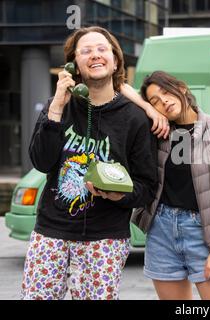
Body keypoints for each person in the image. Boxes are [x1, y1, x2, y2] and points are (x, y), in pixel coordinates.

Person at [21, 26, 158, 300]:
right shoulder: (56, 107)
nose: (95, 55)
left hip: (106, 236)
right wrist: (57, 107)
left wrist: (120, 195)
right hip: (51, 231)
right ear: (74, 65)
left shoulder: (135, 119)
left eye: (101, 49)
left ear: (115, 60)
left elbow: (147, 186)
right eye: (86, 51)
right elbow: (41, 161)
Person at [128, 71, 210, 300]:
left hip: (206, 232)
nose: (163, 101)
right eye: (155, 100)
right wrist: (147, 108)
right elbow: (120, 88)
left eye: (165, 92)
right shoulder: (159, 133)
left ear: (182, 88)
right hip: (162, 231)